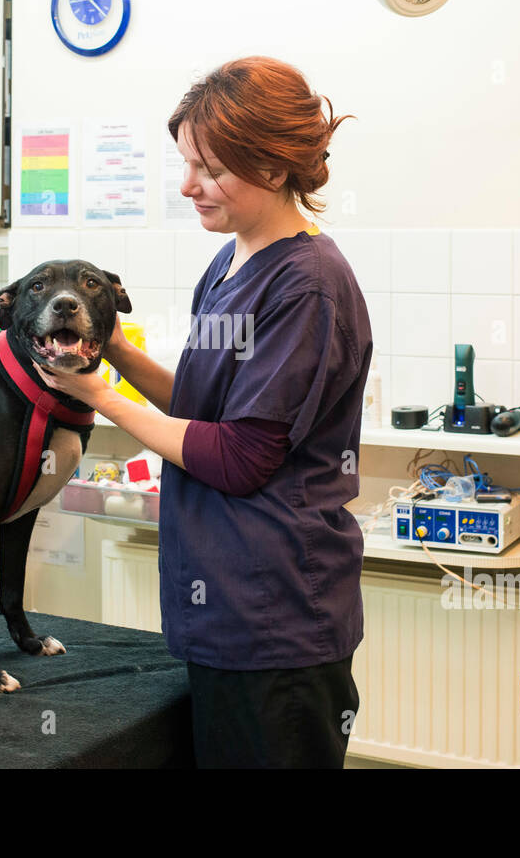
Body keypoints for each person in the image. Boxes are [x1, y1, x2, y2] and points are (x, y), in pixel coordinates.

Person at [38, 56, 371, 768]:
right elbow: (201, 406)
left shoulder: (307, 287)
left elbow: (240, 456)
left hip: (277, 616)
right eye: (185, 163)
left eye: (209, 169)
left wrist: (102, 398)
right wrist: (117, 355)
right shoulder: (228, 264)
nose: (188, 185)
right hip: (222, 603)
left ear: (276, 168)